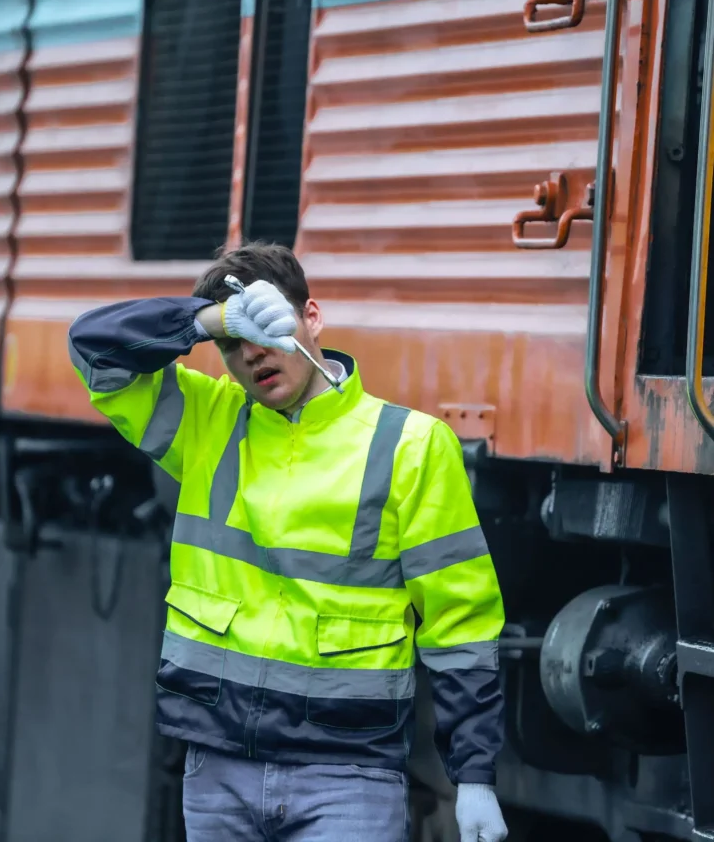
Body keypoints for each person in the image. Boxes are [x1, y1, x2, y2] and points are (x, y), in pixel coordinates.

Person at [68, 242, 508, 842]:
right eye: (233, 343)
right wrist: (206, 321)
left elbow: (461, 623)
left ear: (312, 318)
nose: (251, 353)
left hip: (347, 777)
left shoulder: (412, 445)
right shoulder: (204, 420)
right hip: (218, 768)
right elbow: (93, 344)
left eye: (266, 328)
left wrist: (475, 776)